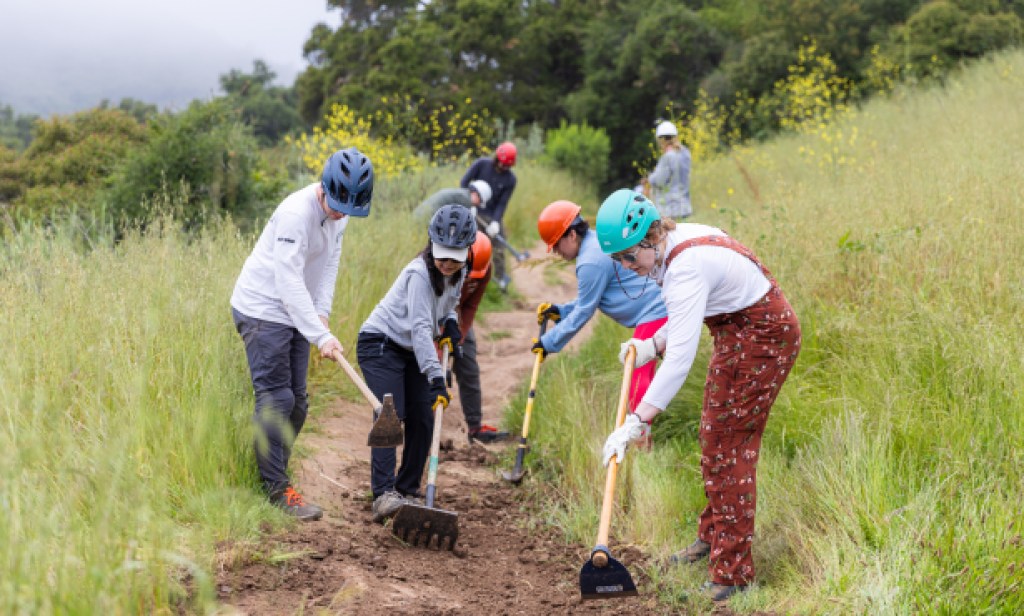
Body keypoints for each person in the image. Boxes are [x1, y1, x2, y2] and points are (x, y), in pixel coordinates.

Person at [596, 189, 800, 601]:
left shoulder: (683, 267)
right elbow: (688, 318)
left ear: (651, 238)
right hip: (738, 332)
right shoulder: (677, 244)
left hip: (763, 337)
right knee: (714, 437)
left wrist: (637, 420)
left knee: (729, 445)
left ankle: (733, 573)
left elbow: (680, 361)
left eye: (629, 256)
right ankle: (713, 538)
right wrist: (651, 346)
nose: (627, 267)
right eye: (618, 260)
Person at [230, 147, 374, 521]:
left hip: (297, 310)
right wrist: (319, 336)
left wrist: (321, 313)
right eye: (337, 205)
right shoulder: (297, 214)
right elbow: (287, 280)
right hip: (263, 309)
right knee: (276, 399)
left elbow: (329, 264)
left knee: (298, 402)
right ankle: (275, 490)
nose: (341, 214)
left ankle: (275, 473)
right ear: (324, 187)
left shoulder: (340, 215)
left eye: (349, 209)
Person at [357, 203, 476, 523]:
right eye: (442, 255)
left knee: (424, 417)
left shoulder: (460, 272)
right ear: (431, 245)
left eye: (455, 256)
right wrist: (437, 377)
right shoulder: (419, 274)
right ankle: (383, 495)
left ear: (467, 251)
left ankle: (406, 491)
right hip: (381, 342)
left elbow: (446, 308)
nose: (448, 263)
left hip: (410, 349)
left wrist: (451, 323)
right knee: (391, 412)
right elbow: (422, 330)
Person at [531, 200, 668, 428]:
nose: (556, 252)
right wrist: (562, 311)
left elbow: (586, 309)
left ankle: (641, 436)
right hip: (653, 309)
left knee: (636, 373)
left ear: (572, 235)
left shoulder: (590, 261)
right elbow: (591, 298)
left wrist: (548, 343)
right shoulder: (595, 243)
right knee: (639, 371)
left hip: (654, 311)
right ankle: (643, 429)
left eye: (556, 245)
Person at [452, 231, 510, 444]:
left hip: (459, 317)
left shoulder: (484, 271)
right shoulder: (446, 265)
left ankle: (475, 428)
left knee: (468, 366)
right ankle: (419, 426)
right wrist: (439, 348)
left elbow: (471, 305)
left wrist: (460, 335)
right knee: (428, 375)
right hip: (432, 317)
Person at [461, 142, 517, 292]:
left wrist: (495, 223)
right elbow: (464, 182)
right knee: (471, 245)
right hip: (473, 210)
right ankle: (467, 280)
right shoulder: (481, 164)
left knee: (499, 246)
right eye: (501, 164)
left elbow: (502, 204)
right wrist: (469, 203)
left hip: (491, 216)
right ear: (496, 158)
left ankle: (500, 282)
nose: (503, 168)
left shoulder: (510, 180)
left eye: (507, 166)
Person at [644, 120, 692, 220]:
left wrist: (650, 178)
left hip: (671, 209)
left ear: (661, 140)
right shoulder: (685, 154)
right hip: (685, 207)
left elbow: (659, 181)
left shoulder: (667, 157)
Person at [411, 179, 492, 221]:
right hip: (425, 219)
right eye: (479, 202)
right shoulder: (465, 200)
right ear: (476, 194)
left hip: (418, 215)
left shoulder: (461, 194)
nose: (477, 205)